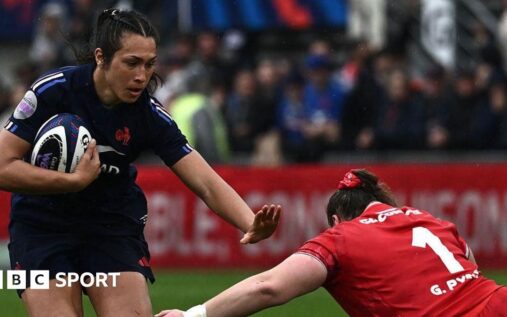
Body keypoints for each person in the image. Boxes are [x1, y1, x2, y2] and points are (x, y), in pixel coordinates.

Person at [0, 8, 280, 317]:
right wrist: (73, 181)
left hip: (111, 225)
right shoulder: (52, 90)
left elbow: (205, 181)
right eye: (131, 63)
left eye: (149, 65)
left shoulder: (149, 115)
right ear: (101, 57)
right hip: (39, 227)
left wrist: (249, 222)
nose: (141, 76)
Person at [157, 169, 507, 317]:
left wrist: (193, 315)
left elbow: (268, 287)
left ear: (338, 219)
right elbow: (471, 267)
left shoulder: (340, 238)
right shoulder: (430, 219)